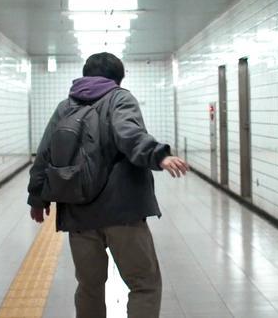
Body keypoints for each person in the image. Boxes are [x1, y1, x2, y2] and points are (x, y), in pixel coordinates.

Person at [27, 52, 189, 318]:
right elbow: (130, 133)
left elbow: (44, 153)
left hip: (78, 213)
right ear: (119, 77)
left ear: (85, 75)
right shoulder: (119, 98)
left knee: (89, 287)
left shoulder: (65, 107)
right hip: (122, 212)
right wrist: (159, 155)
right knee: (144, 285)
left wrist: (37, 198)